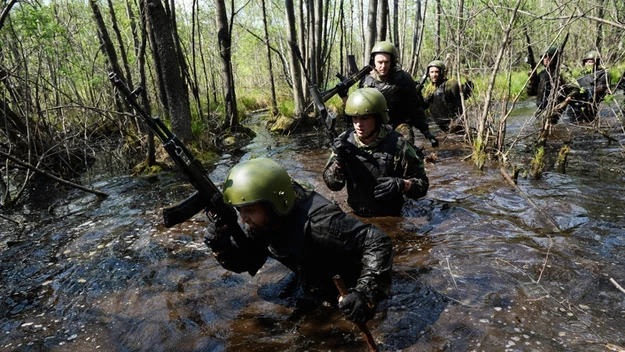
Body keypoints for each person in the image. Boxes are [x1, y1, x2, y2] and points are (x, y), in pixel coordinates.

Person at [203, 157, 393, 324]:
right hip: (312, 278)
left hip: (349, 285)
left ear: (274, 205)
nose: (243, 219)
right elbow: (251, 261)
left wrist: (365, 293)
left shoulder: (322, 223)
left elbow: (377, 240)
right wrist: (221, 246)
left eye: (250, 210)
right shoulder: (262, 222)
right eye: (239, 210)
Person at [323, 87, 429, 217]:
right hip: (357, 215)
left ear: (378, 118)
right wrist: (339, 162)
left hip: (391, 217)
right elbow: (333, 186)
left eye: (365, 118)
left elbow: (422, 185)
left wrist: (402, 184)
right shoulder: (345, 141)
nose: (358, 124)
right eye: (355, 118)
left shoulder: (398, 145)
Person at [357, 41, 439, 148]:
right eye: (380, 62)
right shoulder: (366, 81)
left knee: (405, 145)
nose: (383, 66)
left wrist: (426, 131)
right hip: (375, 127)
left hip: (400, 124)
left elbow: (415, 106)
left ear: (392, 62)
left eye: (386, 62)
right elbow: (359, 111)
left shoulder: (403, 78)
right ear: (373, 62)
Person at [527, 45, 582, 124]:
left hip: (555, 107)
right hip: (541, 108)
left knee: (548, 126)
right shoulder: (542, 74)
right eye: (544, 56)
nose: (546, 59)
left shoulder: (561, 70)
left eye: (549, 56)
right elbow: (531, 93)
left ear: (555, 57)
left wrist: (565, 102)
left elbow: (575, 88)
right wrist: (531, 80)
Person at [421, 60, 473, 133]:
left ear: (442, 72)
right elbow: (424, 106)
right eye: (431, 72)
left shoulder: (451, 84)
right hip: (441, 127)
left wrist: (467, 88)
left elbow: (463, 96)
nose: (434, 75)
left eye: (436, 72)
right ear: (428, 74)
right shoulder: (429, 88)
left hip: (456, 124)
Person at [569, 50, 611, 122]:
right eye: (586, 62)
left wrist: (590, 89)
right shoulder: (583, 74)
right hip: (577, 103)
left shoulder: (603, 74)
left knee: (589, 120)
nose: (588, 64)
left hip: (591, 104)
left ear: (596, 62)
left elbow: (600, 88)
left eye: (590, 62)